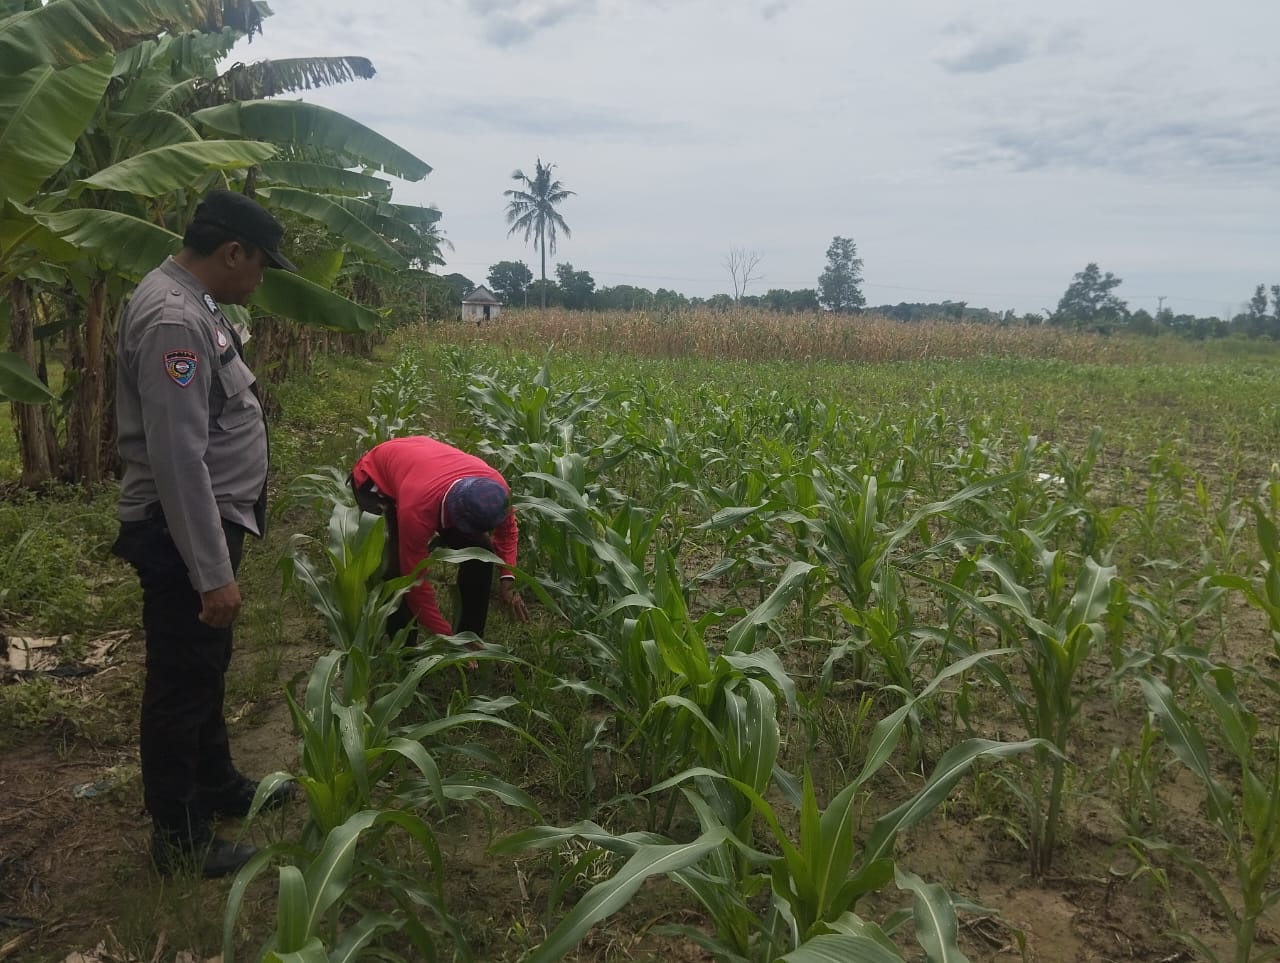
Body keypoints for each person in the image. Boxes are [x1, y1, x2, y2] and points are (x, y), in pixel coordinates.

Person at [112, 189, 297, 878]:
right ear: (232, 251)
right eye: (261, 264)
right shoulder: (172, 319)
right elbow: (177, 456)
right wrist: (211, 571)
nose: (262, 278)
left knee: (205, 664)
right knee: (182, 679)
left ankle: (216, 781)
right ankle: (179, 835)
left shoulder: (195, 306)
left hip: (202, 523)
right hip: (180, 530)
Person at [349, 436, 530, 642]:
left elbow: (507, 533)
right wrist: (446, 637)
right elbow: (414, 581)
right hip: (376, 478)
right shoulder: (417, 510)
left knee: (481, 552)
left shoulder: (496, 490)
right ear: (455, 514)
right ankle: (405, 653)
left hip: (422, 463)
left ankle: (471, 639)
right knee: (397, 574)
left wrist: (508, 580)